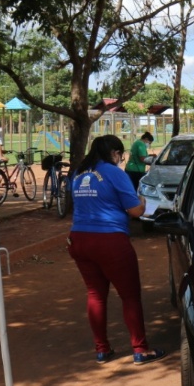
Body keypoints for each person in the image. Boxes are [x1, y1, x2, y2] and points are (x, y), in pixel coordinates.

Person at [68, 134, 165, 366]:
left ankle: (102, 349)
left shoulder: (78, 173)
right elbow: (134, 211)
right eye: (120, 155)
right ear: (114, 153)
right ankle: (140, 349)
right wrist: (142, 202)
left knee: (95, 295)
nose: (121, 159)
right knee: (129, 296)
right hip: (110, 240)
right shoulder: (114, 173)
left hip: (80, 239)